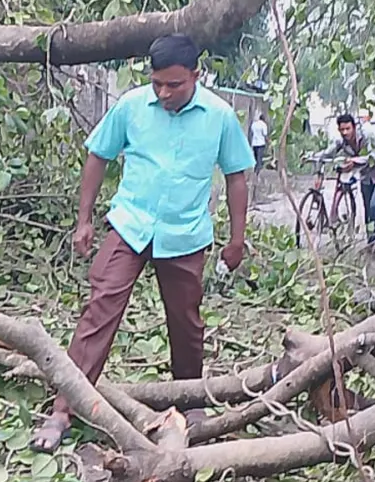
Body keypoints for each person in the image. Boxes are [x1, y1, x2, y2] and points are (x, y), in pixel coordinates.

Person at [29, 33, 255, 453]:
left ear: (195, 76)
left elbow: (237, 175)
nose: (165, 93)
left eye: (175, 85)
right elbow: (98, 155)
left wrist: (236, 239)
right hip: (129, 225)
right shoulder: (132, 106)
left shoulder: (220, 117)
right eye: (158, 84)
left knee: (185, 323)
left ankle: (189, 402)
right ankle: (63, 410)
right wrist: (84, 221)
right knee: (100, 309)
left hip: (185, 234)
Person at [315, 114, 375, 247]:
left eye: (348, 129)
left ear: (354, 127)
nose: (345, 133)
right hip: (366, 176)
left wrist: (354, 161)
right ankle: (371, 242)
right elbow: (328, 152)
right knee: (367, 209)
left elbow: (373, 156)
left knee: (374, 205)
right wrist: (312, 158)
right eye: (342, 130)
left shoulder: (367, 135)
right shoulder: (341, 141)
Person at [249, 112, 268, 178]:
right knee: (259, 158)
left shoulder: (254, 124)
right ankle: (258, 173)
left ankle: (255, 171)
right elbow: (265, 134)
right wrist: (268, 141)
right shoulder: (263, 125)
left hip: (254, 143)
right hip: (261, 143)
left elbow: (251, 134)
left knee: (256, 158)